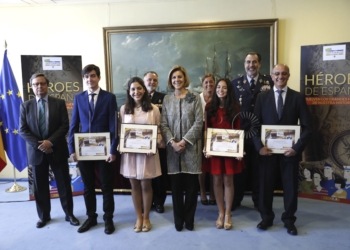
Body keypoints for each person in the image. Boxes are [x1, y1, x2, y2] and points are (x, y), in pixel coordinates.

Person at [253, 64, 312, 236]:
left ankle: (289, 220)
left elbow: (308, 128)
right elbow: (254, 127)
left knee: (290, 187)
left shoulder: (298, 97)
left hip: (290, 153)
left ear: (288, 75)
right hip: (267, 152)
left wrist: (296, 148)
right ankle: (266, 218)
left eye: (284, 73)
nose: (280, 76)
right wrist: (259, 147)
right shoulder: (262, 98)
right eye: (277, 74)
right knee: (265, 186)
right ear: (271, 76)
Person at [19, 73, 79, 228]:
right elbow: (23, 130)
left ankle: (69, 214)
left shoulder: (59, 103)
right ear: (32, 87)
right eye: (36, 84)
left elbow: (64, 126)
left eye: (42, 83)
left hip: (57, 150)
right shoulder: (25, 106)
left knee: (64, 185)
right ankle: (44, 216)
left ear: (48, 85)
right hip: (36, 152)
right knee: (40, 187)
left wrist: (50, 142)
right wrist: (41, 144)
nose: (39, 87)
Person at [68, 64, 118, 235]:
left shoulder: (109, 97)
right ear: (85, 79)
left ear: (99, 77)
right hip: (84, 151)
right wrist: (72, 149)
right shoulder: (79, 98)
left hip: (104, 151)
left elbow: (113, 125)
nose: (90, 79)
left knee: (106, 186)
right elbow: (73, 125)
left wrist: (113, 150)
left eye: (93, 76)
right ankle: (91, 217)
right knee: (88, 187)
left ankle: (108, 219)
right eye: (87, 76)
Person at [161, 65, 203, 231]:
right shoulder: (167, 100)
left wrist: (184, 141)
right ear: (170, 81)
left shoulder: (194, 97)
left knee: (192, 188)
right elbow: (163, 124)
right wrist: (173, 142)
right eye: (173, 78)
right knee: (176, 188)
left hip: (191, 149)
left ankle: (189, 219)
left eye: (179, 77)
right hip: (173, 151)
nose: (176, 80)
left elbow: (199, 122)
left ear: (185, 78)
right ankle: (178, 219)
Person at [119, 77, 162, 232]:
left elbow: (158, 130)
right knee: (134, 185)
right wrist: (121, 144)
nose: (136, 92)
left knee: (146, 185)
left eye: (139, 88)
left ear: (144, 90)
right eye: (132, 89)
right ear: (129, 92)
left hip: (147, 154)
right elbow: (121, 131)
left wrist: (157, 142)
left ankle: (146, 217)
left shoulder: (153, 109)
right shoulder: (124, 109)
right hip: (130, 154)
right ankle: (138, 217)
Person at [231, 52, 273, 210]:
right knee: (239, 171)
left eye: (254, 62)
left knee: (259, 171)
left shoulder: (269, 81)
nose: (251, 65)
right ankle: (236, 200)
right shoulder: (235, 83)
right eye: (248, 62)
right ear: (244, 64)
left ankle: (259, 201)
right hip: (241, 134)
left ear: (260, 64)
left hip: (262, 134)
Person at [203, 78, 244, 230]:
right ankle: (220, 212)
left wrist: (239, 149)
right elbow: (206, 130)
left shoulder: (235, 107)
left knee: (228, 181)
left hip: (230, 151)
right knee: (216, 181)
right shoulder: (209, 107)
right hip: (214, 151)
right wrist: (206, 148)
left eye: (224, 87)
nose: (221, 90)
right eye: (218, 87)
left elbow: (238, 129)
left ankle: (228, 213)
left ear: (229, 90)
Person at [144, 71, 167, 213]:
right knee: (146, 173)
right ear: (143, 81)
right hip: (143, 142)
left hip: (159, 142)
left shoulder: (164, 98)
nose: (152, 82)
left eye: (154, 80)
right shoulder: (138, 97)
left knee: (159, 174)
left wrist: (163, 139)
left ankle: (159, 202)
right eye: (149, 80)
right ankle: (147, 201)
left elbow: (167, 120)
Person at [199, 73, 216, 206]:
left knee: (213, 164)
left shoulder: (218, 97)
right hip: (200, 132)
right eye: (206, 82)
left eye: (211, 82)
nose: (209, 84)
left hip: (215, 132)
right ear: (202, 84)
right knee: (202, 165)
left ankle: (213, 192)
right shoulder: (197, 98)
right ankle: (203, 191)